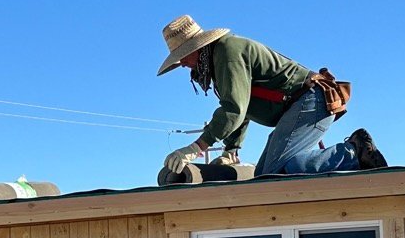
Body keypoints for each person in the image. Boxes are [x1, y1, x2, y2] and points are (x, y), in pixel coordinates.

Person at [156, 15, 387, 176]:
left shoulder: (226, 53)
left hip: (310, 101)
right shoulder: (218, 60)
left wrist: (197, 147)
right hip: (299, 106)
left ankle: (353, 152)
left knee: (276, 172)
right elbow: (243, 107)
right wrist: (231, 150)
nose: (183, 64)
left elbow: (233, 109)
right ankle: (349, 154)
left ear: (197, 47)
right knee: (261, 175)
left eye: (183, 56)